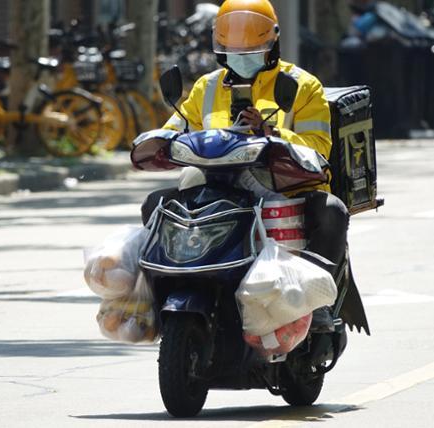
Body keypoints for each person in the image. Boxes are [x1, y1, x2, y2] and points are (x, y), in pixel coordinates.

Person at [142, 0, 348, 332]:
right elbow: (175, 128)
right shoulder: (206, 87)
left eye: (254, 49)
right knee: (156, 205)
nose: (242, 56)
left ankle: (315, 305)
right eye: (232, 51)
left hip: (285, 187)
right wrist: (157, 142)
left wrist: (271, 132)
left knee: (332, 211)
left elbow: (319, 147)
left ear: (273, 44)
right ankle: (155, 298)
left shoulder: (303, 86)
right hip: (218, 187)